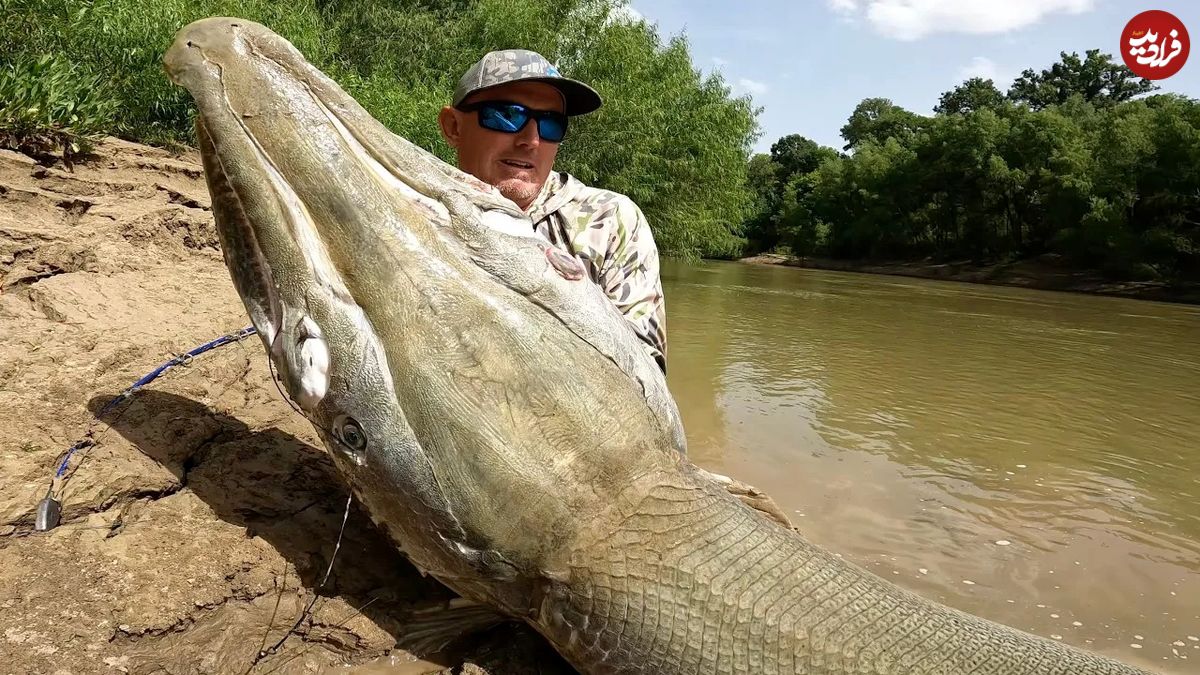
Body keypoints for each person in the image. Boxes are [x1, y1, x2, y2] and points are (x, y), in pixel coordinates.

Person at [437, 49, 668, 373]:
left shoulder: (612, 221)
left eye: (550, 123)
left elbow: (645, 377)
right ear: (453, 127)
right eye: (506, 115)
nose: (531, 140)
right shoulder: (419, 214)